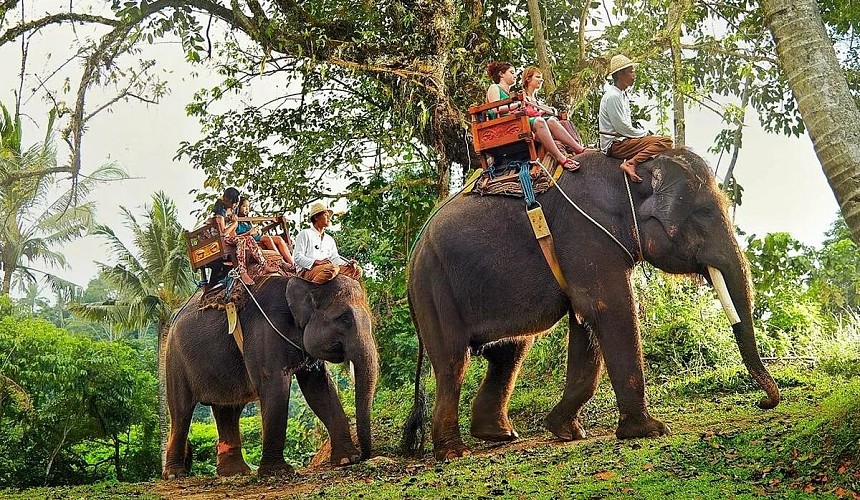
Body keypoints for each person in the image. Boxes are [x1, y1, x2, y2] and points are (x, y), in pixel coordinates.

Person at [485, 61, 578, 169]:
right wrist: (515, 105)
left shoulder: (509, 94)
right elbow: (494, 109)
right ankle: (561, 158)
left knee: (551, 121)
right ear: (501, 74)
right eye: (512, 72)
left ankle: (578, 148)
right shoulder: (494, 87)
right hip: (504, 127)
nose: (515, 75)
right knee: (539, 121)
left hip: (514, 123)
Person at [598, 54, 673, 182]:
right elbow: (621, 128)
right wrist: (644, 134)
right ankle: (631, 163)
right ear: (620, 75)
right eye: (631, 72)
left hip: (624, 140)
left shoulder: (622, 94)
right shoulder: (613, 96)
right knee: (666, 142)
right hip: (617, 144)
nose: (634, 75)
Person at [521, 66, 593, 157]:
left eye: (541, 78)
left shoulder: (537, 101)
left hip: (544, 124)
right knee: (554, 121)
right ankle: (571, 151)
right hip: (535, 127)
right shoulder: (522, 96)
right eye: (538, 77)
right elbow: (525, 113)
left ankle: (578, 148)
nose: (541, 80)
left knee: (564, 122)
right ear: (528, 79)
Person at [293, 202, 362, 284]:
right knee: (332, 269)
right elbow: (297, 257)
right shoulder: (305, 233)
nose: (329, 218)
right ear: (316, 217)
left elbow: (334, 258)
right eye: (326, 215)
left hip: (327, 270)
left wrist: (348, 263)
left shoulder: (329, 239)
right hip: (307, 271)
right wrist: (316, 262)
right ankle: (312, 291)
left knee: (357, 270)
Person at [212, 187, 269, 286]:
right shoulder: (220, 213)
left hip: (228, 237)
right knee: (241, 240)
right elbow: (223, 233)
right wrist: (235, 223)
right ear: (227, 200)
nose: (236, 205)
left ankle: (264, 265)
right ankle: (243, 272)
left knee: (249, 238)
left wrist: (233, 223)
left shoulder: (232, 210)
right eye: (234, 203)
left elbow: (232, 232)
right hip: (220, 239)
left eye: (237, 203)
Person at [235, 197, 296, 273]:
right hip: (248, 238)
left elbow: (254, 228)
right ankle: (282, 262)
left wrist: (258, 230)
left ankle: (293, 264)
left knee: (279, 239)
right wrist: (250, 233)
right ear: (238, 207)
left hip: (256, 236)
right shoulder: (236, 221)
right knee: (267, 238)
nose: (247, 209)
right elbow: (236, 237)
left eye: (248, 207)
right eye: (244, 206)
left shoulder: (247, 220)